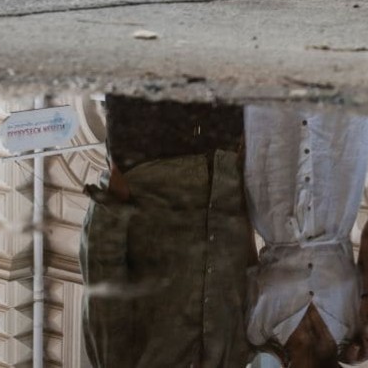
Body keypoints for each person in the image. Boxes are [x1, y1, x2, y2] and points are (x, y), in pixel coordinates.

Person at [79, 97, 253, 368]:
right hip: (222, 161)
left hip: (152, 158)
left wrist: (113, 196)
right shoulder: (234, 360)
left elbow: (103, 277)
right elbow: (246, 284)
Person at [243, 105, 368, 366]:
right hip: (334, 188)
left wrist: (239, 167)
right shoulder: (357, 326)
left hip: (273, 191)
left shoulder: (257, 333)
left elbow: (242, 248)